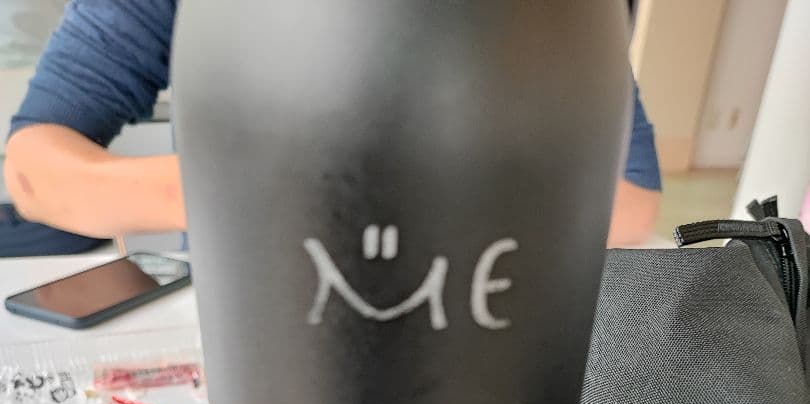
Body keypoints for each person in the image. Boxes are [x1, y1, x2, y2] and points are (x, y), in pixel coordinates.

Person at [4, 0, 661, 247]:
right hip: (246, 352)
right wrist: (258, 193)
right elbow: (35, 169)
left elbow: (630, 203)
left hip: (475, 338)